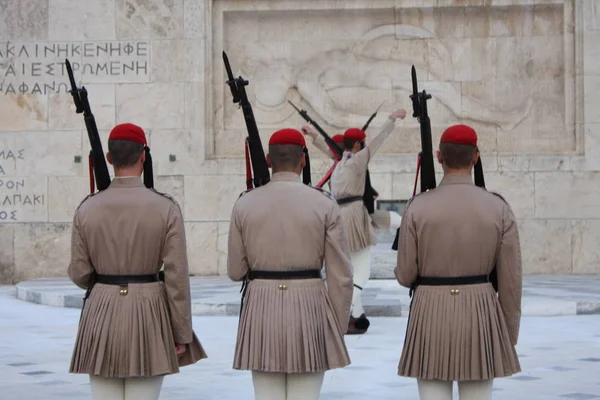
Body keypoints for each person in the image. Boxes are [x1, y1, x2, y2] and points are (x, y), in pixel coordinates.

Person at [67, 123, 207, 400]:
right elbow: (176, 277)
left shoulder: (86, 208)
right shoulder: (165, 207)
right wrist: (181, 333)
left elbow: (80, 274)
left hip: (102, 309)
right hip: (149, 309)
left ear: (108, 159)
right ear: (144, 156)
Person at [394, 124, 522, 400]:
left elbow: (406, 275)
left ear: (439, 157)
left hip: (430, 310)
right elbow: (511, 282)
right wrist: (508, 335)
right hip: (481, 311)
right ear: (475, 157)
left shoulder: (417, 207)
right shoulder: (498, 207)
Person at [227, 128, 354, 400]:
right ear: (303, 160)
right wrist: (337, 325)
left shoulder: (244, 204)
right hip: (310, 305)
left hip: (261, 305)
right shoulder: (324, 204)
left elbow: (235, 271)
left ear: (269, 160)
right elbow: (341, 276)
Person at [305, 108, 406, 335]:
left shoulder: (340, 164)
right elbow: (378, 142)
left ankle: (357, 317)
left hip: (341, 215)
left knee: (350, 268)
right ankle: (342, 308)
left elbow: (328, 149)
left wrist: (313, 136)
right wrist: (392, 119)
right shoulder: (357, 162)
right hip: (354, 216)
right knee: (362, 272)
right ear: (359, 146)